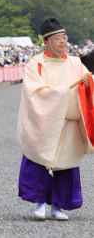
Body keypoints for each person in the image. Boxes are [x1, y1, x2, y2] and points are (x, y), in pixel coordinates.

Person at [17, 18, 93, 221]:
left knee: (66, 164)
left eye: (65, 37)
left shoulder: (75, 63)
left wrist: (87, 82)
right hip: (45, 121)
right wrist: (61, 92)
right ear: (47, 41)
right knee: (41, 160)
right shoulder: (36, 63)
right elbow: (33, 92)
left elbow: (87, 85)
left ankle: (59, 206)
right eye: (58, 38)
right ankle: (40, 202)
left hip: (68, 122)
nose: (63, 42)